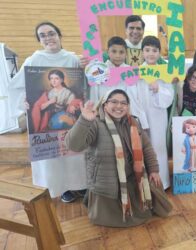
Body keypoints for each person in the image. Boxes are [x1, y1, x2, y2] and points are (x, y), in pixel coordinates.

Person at [65, 89, 172, 227]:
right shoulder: (95, 123)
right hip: (106, 182)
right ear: (104, 104)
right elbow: (74, 145)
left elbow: (146, 148)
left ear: (128, 106)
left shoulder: (132, 122)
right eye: (114, 102)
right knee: (108, 218)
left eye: (123, 103)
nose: (119, 106)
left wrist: (154, 170)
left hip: (131, 179)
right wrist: (84, 120)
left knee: (151, 204)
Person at [7, 22, 86, 202]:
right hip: (48, 120)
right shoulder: (33, 60)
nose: (48, 38)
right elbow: (16, 87)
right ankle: (62, 187)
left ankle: (79, 184)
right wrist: (25, 102)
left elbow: (83, 86)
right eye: (43, 35)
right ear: (39, 40)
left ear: (59, 35)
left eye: (51, 33)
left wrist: (85, 65)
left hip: (70, 118)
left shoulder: (72, 58)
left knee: (74, 151)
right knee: (53, 156)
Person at [126, 35, 174, 190]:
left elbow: (169, 96)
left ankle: (163, 183)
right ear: (142, 52)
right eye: (147, 50)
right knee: (144, 148)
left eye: (154, 50)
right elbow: (132, 96)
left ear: (159, 53)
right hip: (142, 117)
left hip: (159, 116)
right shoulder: (137, 72)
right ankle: (146, 185)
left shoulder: (164, 72)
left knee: (159, 147)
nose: (151, 53)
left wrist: (158, 88)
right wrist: (140, 118)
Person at [90, 36, 129, 102]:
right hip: (103, 108)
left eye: (121, 52)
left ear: (126, 54)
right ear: (108, 52)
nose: (117, 56)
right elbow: (94, 95)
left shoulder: (130, 71)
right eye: (114, 51)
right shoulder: (98, 71)